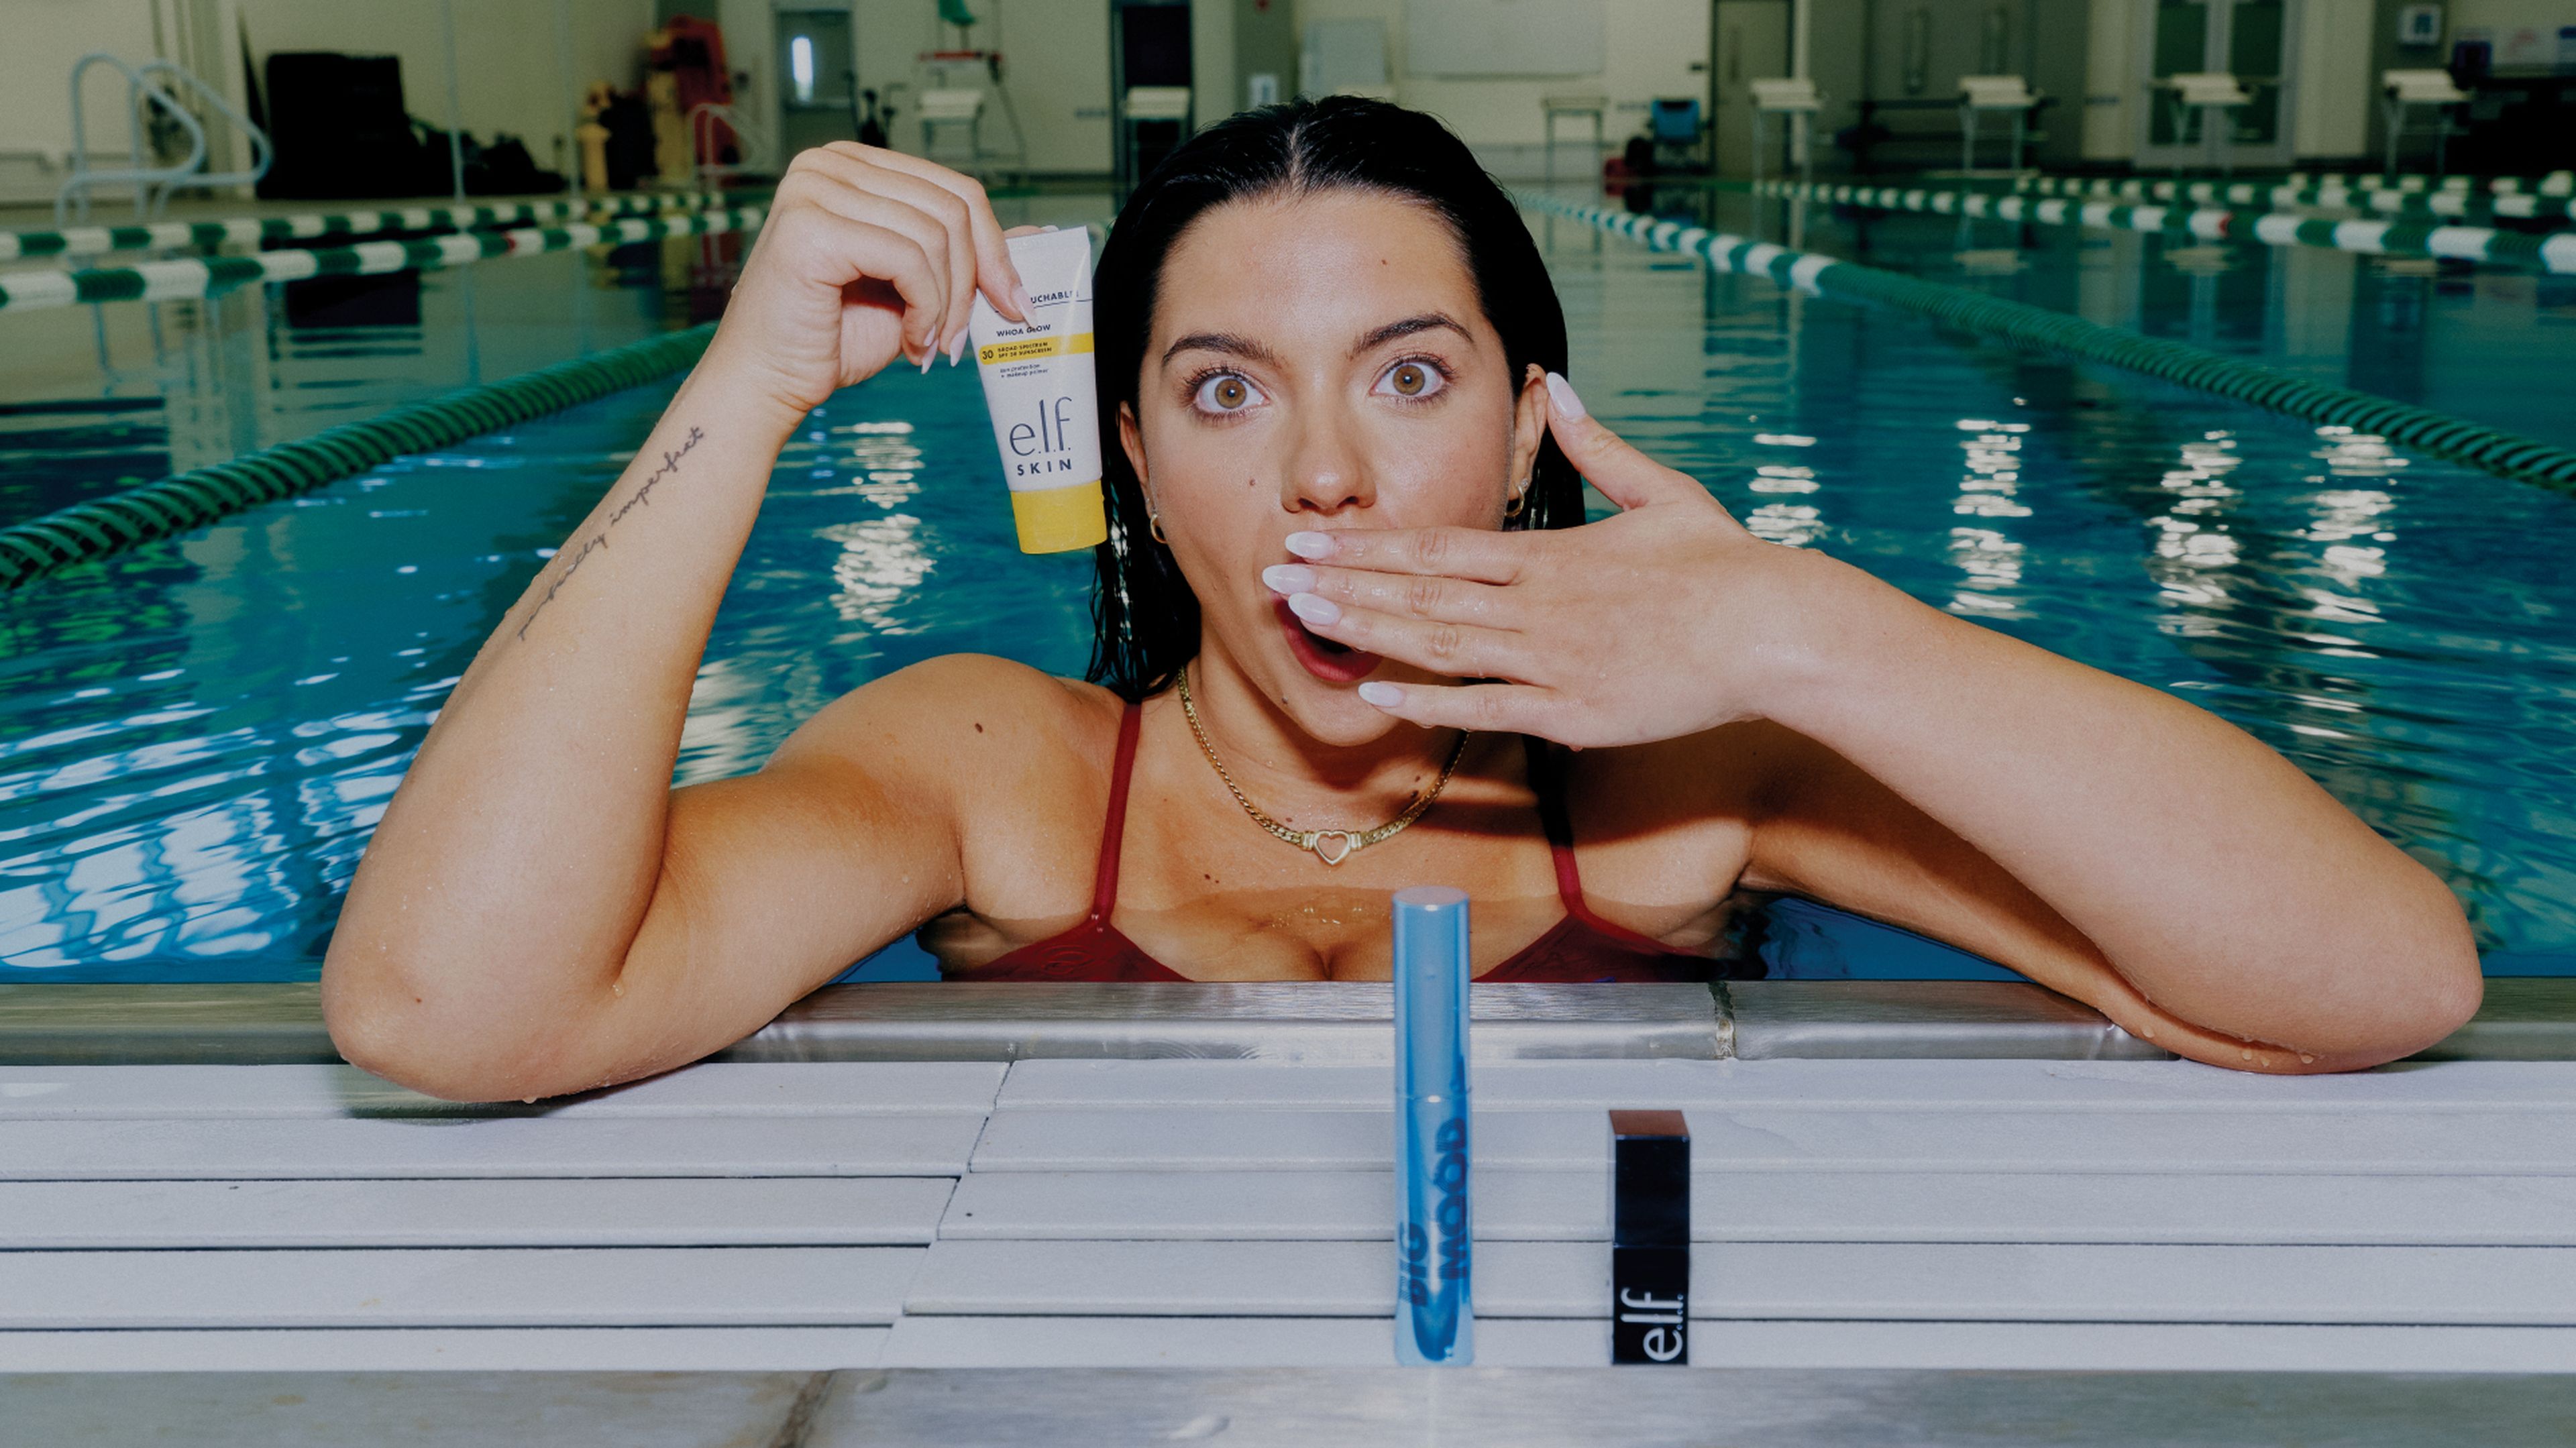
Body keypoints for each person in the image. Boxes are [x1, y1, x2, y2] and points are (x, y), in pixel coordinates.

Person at [322, 99, 2481, 1101]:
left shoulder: (1664, 789)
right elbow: (449, 1014)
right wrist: (746, 380)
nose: (1332, 474)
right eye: (1227, 390)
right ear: (1140, 466)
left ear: (1530, 433)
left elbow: (2377, 977)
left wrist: (1806, 631)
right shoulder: (996, 765)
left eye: (1413, 378)